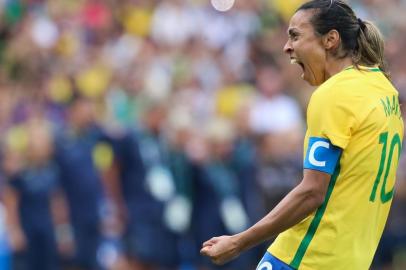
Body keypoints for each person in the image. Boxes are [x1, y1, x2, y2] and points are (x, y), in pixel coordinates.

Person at [200, 0, 404, 269]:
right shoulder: (384, 89)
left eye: (295, 35)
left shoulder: (333, 94)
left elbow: (311, 192)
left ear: (330, 39)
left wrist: (239, 241)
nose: (287, 47)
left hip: (304, 258)